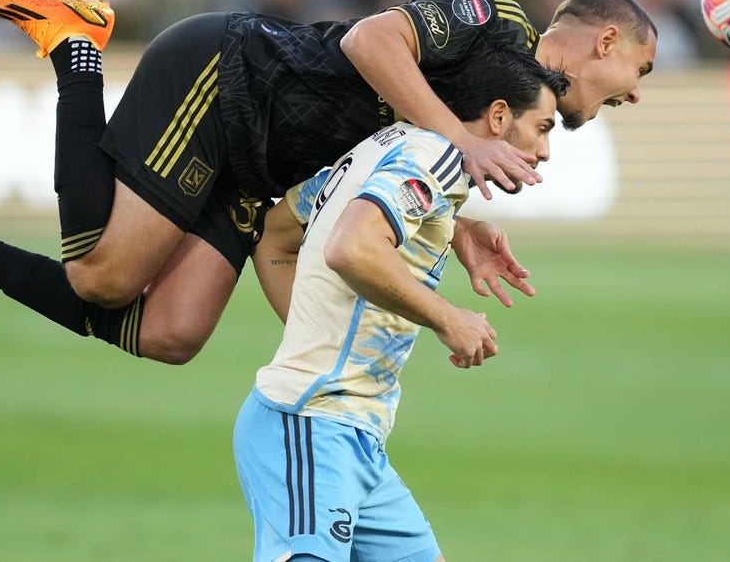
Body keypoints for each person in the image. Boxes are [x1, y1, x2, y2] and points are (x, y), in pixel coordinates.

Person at [0, 0, 656, 364]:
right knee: (102, 278)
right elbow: (370, 43)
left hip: (262, 165)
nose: (637, 92)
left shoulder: (492, 115)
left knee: (172, 334)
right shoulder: (498, 21)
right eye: (641, 70)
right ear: (605, 41)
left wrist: (465, 218)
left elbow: (379, 157)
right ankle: (77, 50)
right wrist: (457, 137)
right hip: (228, 77)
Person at [234, 43, 566, 562]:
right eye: (543, 128)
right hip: (309, 425)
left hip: (358, 437)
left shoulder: (391, 147)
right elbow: (352, 247)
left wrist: (315, 330)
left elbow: (276, 235)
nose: (545, 151)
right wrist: (447, 318)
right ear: (499, 116)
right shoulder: (434, 155)